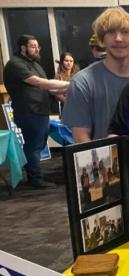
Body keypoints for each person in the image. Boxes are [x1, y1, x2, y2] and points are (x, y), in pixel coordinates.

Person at [62, 7, 129, 143]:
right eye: (111, 32)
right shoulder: (82, 82)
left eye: (125, 32)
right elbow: (81, 138)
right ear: (102, 40)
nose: (118, 38)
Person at [3, 34, 69, 188]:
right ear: (23, 48)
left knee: (37, 145)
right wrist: (70, 84)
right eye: (32, 46)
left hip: (40, 111)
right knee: (33, 146)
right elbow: (39, 82)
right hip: (28, 112)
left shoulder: (36, 65)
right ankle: (35, 179)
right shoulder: (15, 64)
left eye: (37, 46)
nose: (36, 49)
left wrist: (69, 93)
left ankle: (34, 175)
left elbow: (49, 88)